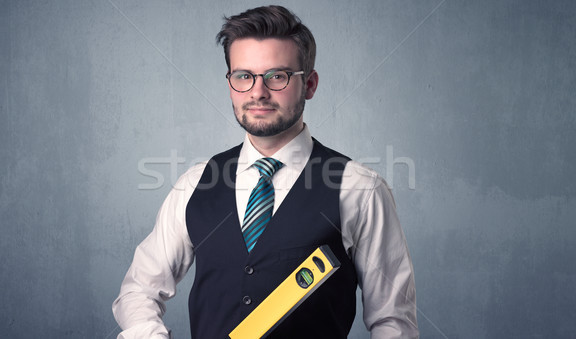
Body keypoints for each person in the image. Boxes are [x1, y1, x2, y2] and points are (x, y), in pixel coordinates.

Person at [112, 5, 418, 339]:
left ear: (310, 84)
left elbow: (393, 323)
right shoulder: (194, 184)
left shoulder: (360, 189)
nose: (258, 92)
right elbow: (138, 291)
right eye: (243, 76)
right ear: (230, 83)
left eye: (277, 76)